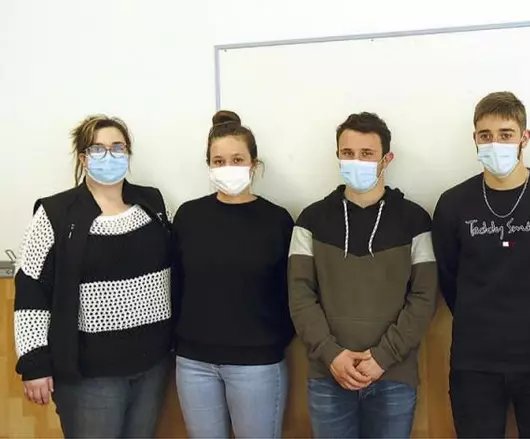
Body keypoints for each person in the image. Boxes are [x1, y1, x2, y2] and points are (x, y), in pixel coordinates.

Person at [432, 91, 530, 438]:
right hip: (474, 364)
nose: (495, 143)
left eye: (505, 134)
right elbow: (449, 276)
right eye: (485, 135)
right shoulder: (452, 203)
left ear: (524, 137)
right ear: (474, 140)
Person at [13, 115, 172, 437]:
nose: (109, 155)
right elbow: (30, 290)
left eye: (117, 147)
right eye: (98, 149)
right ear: (83, 158)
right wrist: (33, 364)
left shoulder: (152, 202)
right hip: (91, 374)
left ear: (128, 154)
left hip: (153, 364)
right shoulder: (56, 213)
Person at [288, 112, 438, 438]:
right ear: (338, 156)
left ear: (387, 159)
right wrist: (332, 354)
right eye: (348, 153)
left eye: (367, 154)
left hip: (393, 376)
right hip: (328, 374)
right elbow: (300, 295)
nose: (356, 161)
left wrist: (383, 357)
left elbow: (424, 298)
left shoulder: (415, 220)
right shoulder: (310, 220)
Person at [172, 110, 295, 438]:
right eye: (219, 160)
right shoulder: (188, 216)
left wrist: (271, 341)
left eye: (237, 159)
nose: (228, 167)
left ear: (254, 164)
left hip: (257, 365)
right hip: (193, 364)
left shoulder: (278, 221)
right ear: (209, 165)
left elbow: (291, 293)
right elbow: (177, 285)